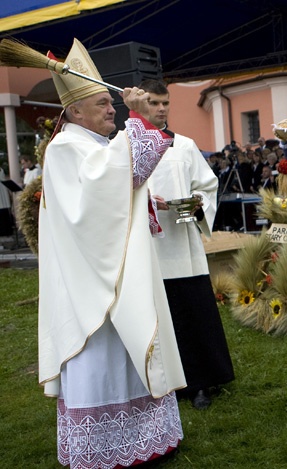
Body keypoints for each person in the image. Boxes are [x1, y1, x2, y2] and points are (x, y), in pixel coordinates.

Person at [38, 39, 185, 468]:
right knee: (101, 354)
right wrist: (138, 118)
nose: (112, 110)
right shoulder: (68, 147)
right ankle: (103, 445)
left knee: (126, 348)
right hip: (90, 281)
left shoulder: (93, 146)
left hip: (110, 269)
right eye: (103, 104)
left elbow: (123, 182)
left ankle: (143, 437)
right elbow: (102, 196)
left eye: (112, 104)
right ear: (75, 112)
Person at [140, 79, 235, 409]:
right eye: (153, 102)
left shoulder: (184, 146)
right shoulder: (126, 147)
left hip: (182, 245)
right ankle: (161, 383)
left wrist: (197, 202)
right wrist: (148, 203)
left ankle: (199, 383)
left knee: (193, 312)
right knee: (157, 316)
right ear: (139, 105)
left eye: (165, 102)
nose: (161, 108)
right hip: (148, 248)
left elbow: (208, 185)